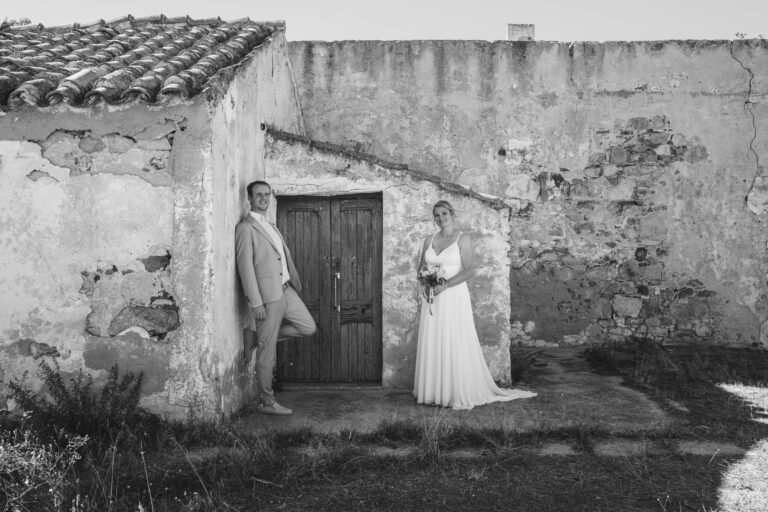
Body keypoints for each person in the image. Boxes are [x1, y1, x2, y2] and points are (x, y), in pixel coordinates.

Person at [413, 200, 536, 410]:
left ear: (452, 214)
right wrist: (427, 284)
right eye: (437, 215)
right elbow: (421, 268)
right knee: (434, 338)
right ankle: (434, 390)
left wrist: (445, 285)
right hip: (433, 298)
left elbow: (469, 270)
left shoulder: (463, 239)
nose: (441, 218)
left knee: (453, 338)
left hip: (453, 296)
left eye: (444, 213)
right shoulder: (428, 240)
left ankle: (453, 391)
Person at [236, 180, 316, 416]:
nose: (263, 198)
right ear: (249, 198)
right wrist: (256, 302)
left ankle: (255, 338)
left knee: (308, 327)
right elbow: (246, 269)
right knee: (267, 351)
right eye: (258, 194)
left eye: (267, 194)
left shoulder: (271, 225)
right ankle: (267, 402)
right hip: (267, 297)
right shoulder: (245, 228)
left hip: (286, 290)